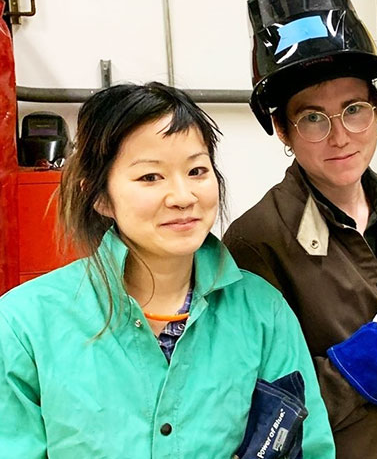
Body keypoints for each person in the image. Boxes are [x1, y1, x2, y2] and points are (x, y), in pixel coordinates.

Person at [0, 82, 335, 458]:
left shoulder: (262, 313)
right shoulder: (24, 323)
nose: (182, 197)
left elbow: (306, 448)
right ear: (99, 196)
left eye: (196, 171)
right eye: (150, 177)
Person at [223, 0, 377, 458]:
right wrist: (352, 370)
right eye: (312, 118)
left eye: (354, 110)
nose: (341, 137)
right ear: (282, 131)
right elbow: (256, 417)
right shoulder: (255, 243)